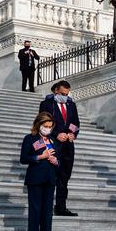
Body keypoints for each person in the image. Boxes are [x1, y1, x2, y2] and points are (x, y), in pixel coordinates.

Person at [38, 80, 80, 216]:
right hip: (53, 144)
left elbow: (75, 122)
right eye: (62, 94)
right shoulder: (46, 104)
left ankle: (61, 207)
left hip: (68, 146)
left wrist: (72, 133)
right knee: (50, 176)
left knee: (64, 177)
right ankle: (46, 206)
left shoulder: (71, 104)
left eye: (67, 94)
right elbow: (42, 123)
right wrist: (56, 134)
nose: (65, 96)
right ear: (56, 91)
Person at [20, 111, 60, 231]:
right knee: (35, 212)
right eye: (46, 126)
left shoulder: (53, 140)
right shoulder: (30, 138)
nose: (48, 129)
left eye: (50, 126)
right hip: (35, 179)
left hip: (50, 179)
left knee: (47, 214)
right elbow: (24, 158)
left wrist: (56, 162)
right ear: (39, 124)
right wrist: (40, 156)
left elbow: (59, 161)